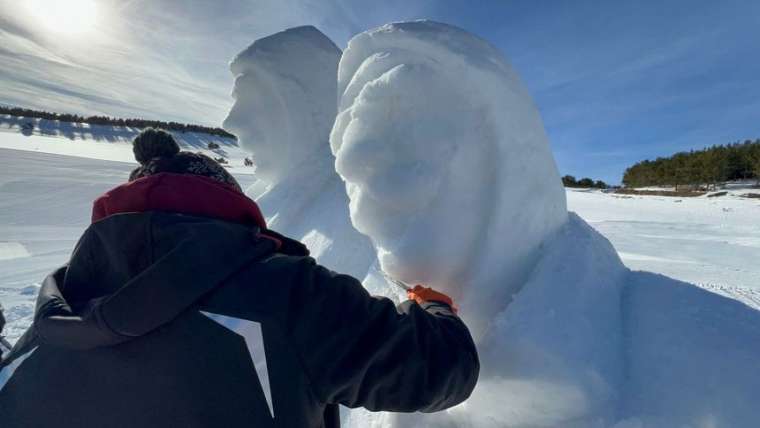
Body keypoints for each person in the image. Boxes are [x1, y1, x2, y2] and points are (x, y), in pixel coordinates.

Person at [0, 129, 479, 428]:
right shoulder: (288, 294)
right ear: (232, 208)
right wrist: (434, 309)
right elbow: (439, 370)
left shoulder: (49, 321)